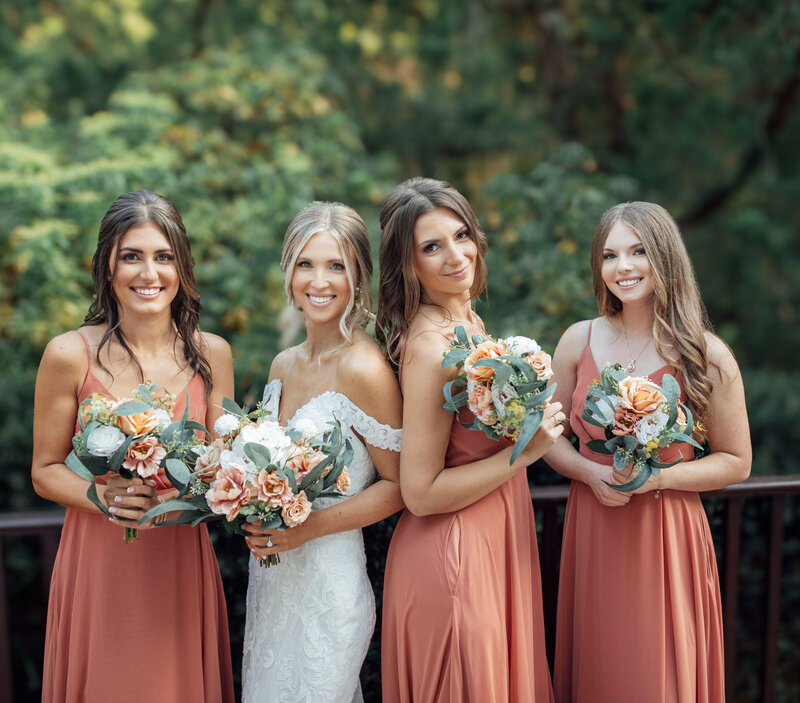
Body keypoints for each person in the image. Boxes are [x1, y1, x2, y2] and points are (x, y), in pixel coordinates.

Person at [32, 189, 235, 703]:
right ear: (108, 266)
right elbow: (45, 469)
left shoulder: (212, 354)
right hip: (99, 562)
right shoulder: (68, 353)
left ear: (181, 267)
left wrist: (177, 501)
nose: (149, 273)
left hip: (178, 559)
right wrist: (103, 497)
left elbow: (222, 468)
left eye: (163, 256)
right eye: (131, 256)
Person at [545, 201, 751, 702]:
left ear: (665, 257)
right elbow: (545, 435)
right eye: (610, 255)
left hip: (666, 532)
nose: (623, 266)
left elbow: (737, 462)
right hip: (595, 524)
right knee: (602, 667)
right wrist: (589, 473)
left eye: (638, 252)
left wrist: (656, 478)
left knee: (656, 675)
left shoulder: (707, 354)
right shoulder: (576, 341)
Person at [377, 177, 563, 702]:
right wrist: (525, 454)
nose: (456, 255)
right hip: (455, 557)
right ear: (407, 264)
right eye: (431, 247)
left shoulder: (469, 323)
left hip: (495, 542)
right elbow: (420, 492)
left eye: (461, 236)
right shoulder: (432, 350)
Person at [240, 202, 404, 703]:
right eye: (306, 264)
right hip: (272, 583)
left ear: (358, 277)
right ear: (289, 273)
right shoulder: (282, 364)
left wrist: (307, 529)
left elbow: (400, 487)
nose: (319, 281)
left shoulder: (364, 368)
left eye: (336, 266)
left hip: (329, 588)